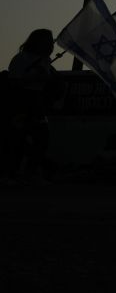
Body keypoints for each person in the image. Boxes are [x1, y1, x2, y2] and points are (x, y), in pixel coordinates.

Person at [4, 29, 60, 185]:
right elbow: (13, 82)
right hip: (21, 101)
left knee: (42, 137)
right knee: (16, 138)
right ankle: (10, 174)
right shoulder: (20, 59)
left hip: (37, 102)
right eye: (47, 40)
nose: (50, 43)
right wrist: (32, 78)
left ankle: (31, 172)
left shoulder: (45, 61)